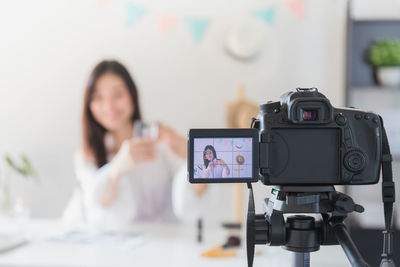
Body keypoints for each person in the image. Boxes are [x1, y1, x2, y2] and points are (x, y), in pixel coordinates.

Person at [67, 60, 207, 227]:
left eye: (117, 95)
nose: (109, 106)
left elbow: (196, 198)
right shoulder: (86, 153)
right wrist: (117, 169)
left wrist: (194, 158)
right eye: (98, 98)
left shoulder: (159, 138)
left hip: (164, 240)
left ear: (132, 95)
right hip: (111, 244)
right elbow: (96, 208)